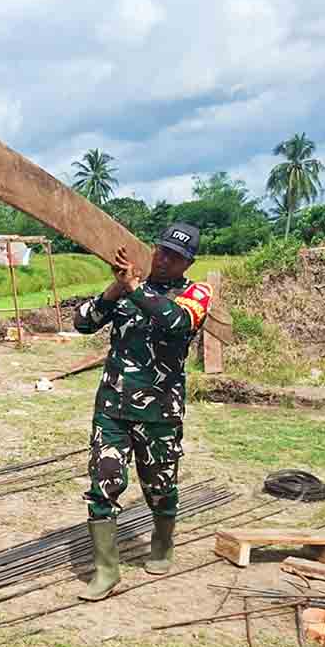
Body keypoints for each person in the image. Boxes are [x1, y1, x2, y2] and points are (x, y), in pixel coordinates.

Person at [72, 224, 212, 602]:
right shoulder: (127, 287)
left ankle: (162, 544)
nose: (165, 260)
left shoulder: (196, 293)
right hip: (113, 409)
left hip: (159, 412)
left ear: (188, 263)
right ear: (153, 249)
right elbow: (82, 322)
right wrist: (114, 289)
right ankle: (106, 570)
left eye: (175, 257)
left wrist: (134, 288)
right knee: (103, 484)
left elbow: (177, 322)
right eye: (161, 251)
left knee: (160, 488)